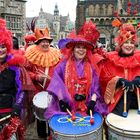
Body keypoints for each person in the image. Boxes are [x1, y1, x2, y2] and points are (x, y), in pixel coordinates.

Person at [44, 30, 108, 121]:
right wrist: (62, 101)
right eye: (78, 47)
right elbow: (57, 84)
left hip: (87, 105)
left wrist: (93, 102)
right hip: (67, 106)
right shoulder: (62, 66)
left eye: (84, 47)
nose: (81, 50)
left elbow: (95, 87)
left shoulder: (91, 68)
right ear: (73, 49)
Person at [24, 27, 61, 139]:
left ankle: (52, 134)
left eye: (47, 42)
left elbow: (61, 71)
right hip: (38, 92)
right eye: (43, 42)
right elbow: (25, 72)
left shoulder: (56, 55)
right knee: (40, 116)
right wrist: (36, 76)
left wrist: (55, 79)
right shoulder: (30, 56)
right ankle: (41, 135)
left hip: (52, 91)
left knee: (53, 116)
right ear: (38, 43)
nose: (45, 44)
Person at [0, 18, 34, 139]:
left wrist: (16, 107)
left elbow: (22, 90)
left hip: (10, 112)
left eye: (3, 46)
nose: (0, 50)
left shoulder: (15, 67)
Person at [100, 21, 140, 117]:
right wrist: (118, 80)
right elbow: (104, 78)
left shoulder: (138, 58)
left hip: (136, 99)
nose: (129, 45)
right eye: (126, 42)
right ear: (121, 44)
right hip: (119, 100)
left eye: (131, 42)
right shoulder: (111, 59)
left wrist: (139, 78)